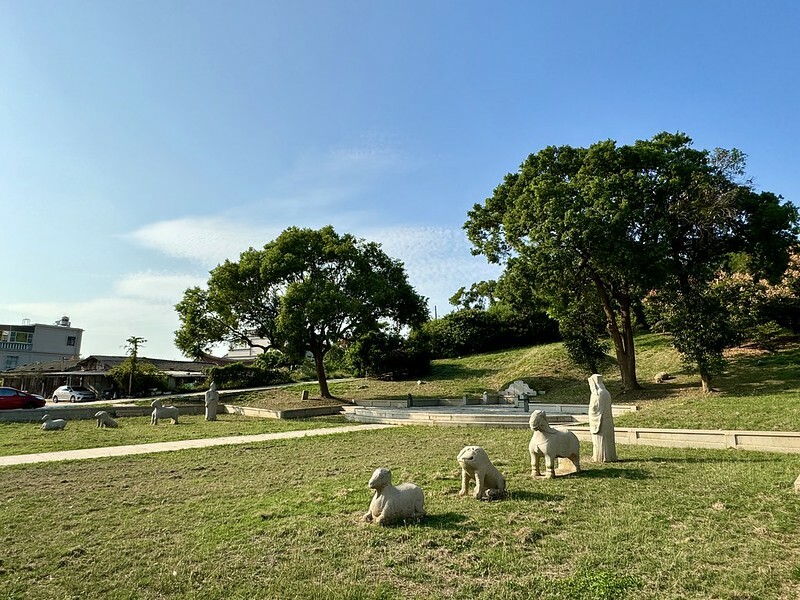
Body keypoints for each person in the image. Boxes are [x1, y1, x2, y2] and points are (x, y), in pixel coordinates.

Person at [588, 374, 617, 462]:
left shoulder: (597, 394)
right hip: (608, 421)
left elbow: (594, 408)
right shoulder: (606, 392)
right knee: (608, 442)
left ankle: (601, 457)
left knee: (601, 441)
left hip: (600, 422)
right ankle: (610, 456)